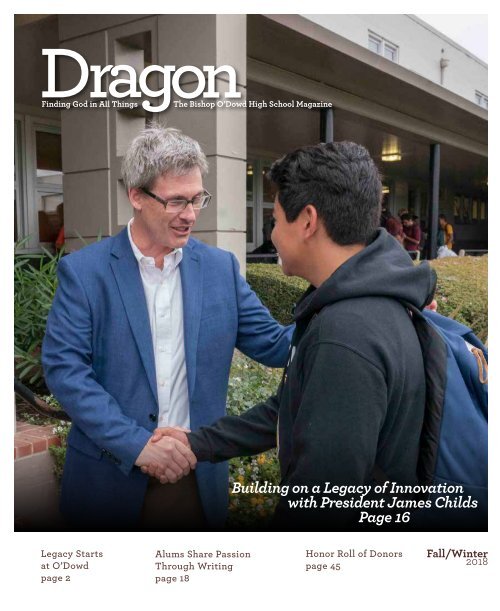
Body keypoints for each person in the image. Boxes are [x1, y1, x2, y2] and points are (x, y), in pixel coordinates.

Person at [149, 141, 436, 530]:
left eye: (275, 219)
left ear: (307, 221)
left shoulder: (344, 336)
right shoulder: (366, 304)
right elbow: (291, 408)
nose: (273, 233)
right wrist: (197, 443)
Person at [42, 125, 293, 530]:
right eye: (177, 201)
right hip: (108, 482)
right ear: (136, 196)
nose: (191, 215)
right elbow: (66, 371)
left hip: (195, 481)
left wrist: (360, 304)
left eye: (197, 199)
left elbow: (278, 345)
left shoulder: (219, 269)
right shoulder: (85, 272)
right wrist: (137, 445)